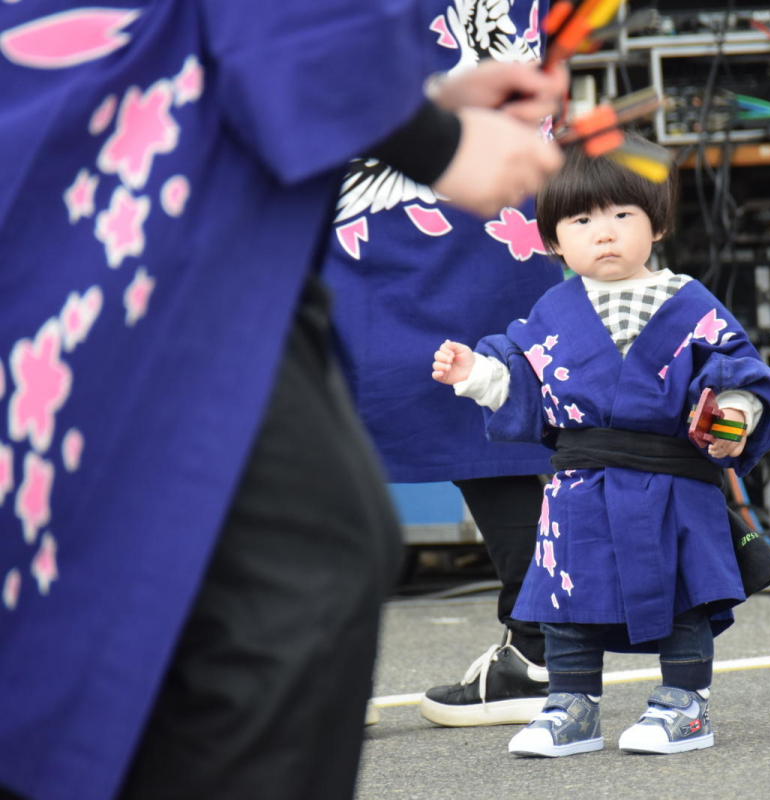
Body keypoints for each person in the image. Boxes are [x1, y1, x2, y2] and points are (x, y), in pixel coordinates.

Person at [0, 2, 563, 798]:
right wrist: (434, 141)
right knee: (301, 570)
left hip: (111, 147)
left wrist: (417, 109)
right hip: (129, 191)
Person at [431, 136, 770, 757]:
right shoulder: (550, 312)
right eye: (582, 219)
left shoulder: (690, 302)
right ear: (551, 239)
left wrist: (735, 410)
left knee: (684, 597)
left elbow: (740, 370)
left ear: (658, 223)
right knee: (566, 598)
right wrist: (476, 374)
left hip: (673, 478)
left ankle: (685, 704)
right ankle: (571, 705)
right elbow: (521, 377)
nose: (605, 232)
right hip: (580, 485)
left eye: (623, 215)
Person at [321, 0, 562, 728]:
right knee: (497, 393)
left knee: (311, 405)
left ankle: (317, 674)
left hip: (384, 162)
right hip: (493, 178)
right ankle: (540, 648)